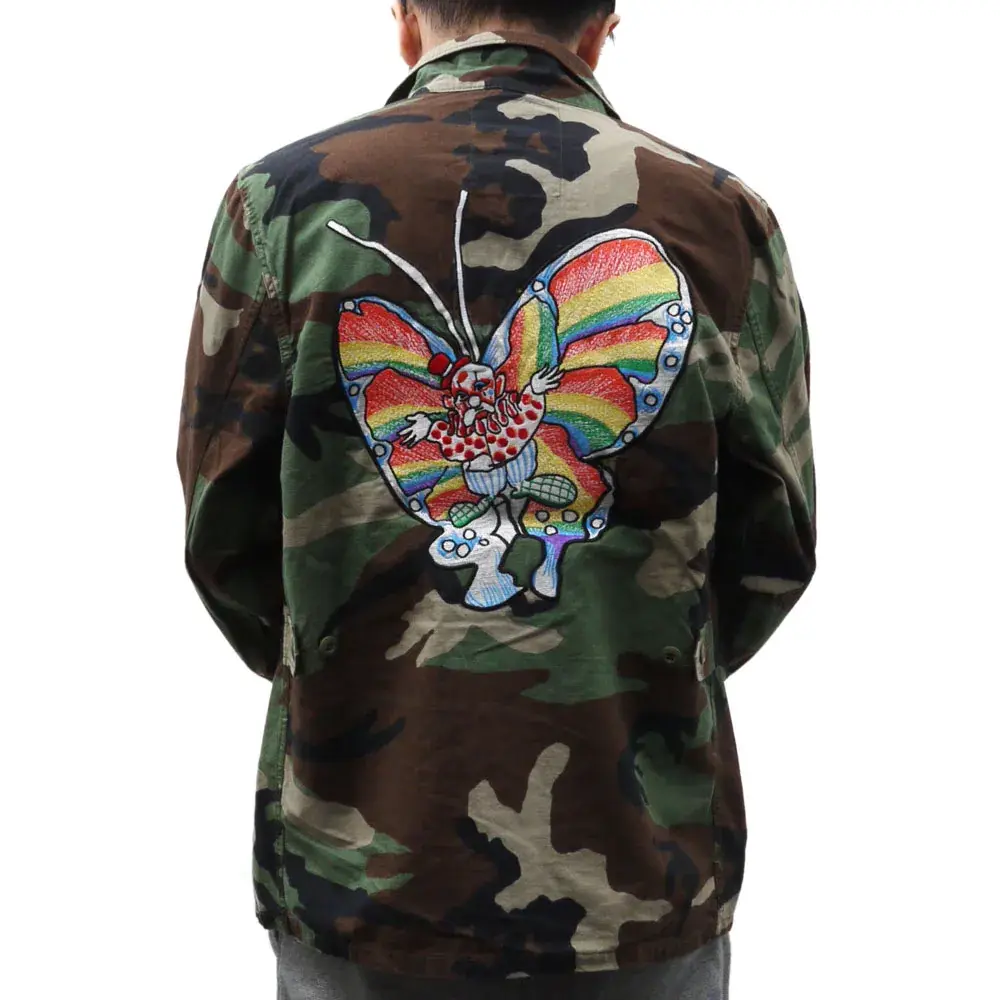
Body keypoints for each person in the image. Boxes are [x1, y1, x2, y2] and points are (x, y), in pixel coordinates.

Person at [176, 1, 817, 997]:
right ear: (603, 26)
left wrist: (347, 663)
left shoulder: (281, 207)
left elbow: (225, 534)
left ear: (404, 17)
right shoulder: (717, 217)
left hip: (361, 868)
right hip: (638, 867)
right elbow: (772, 546)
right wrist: (629, 655)